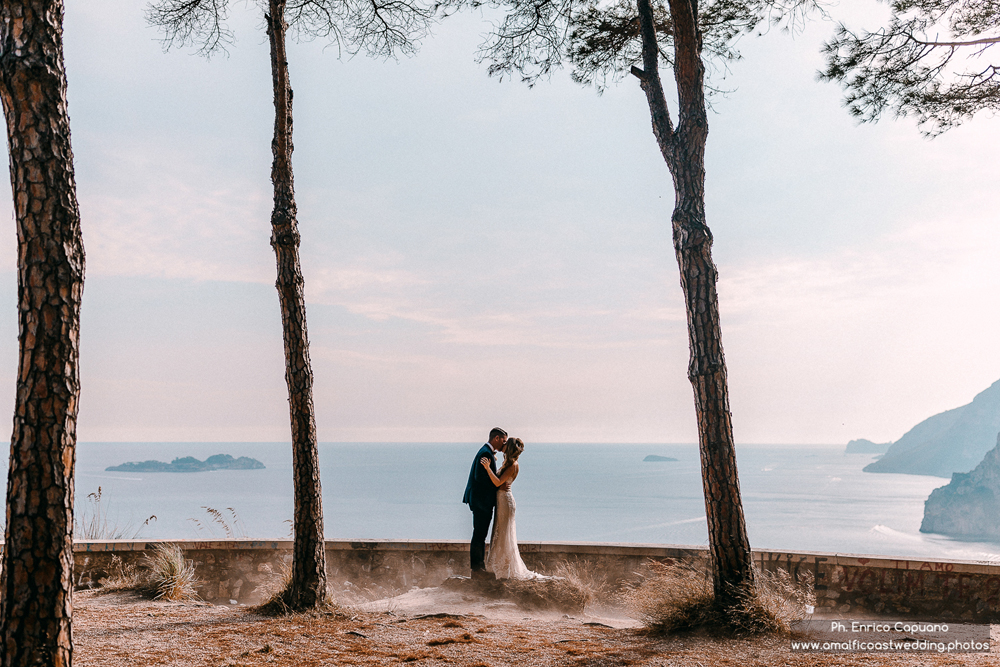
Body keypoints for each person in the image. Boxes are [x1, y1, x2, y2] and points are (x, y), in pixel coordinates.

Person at [479, 437, 542, 580]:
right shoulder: (509, 463)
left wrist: (488, 468)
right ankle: (500, 566)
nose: (504, 444)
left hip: (505, 501)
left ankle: (506, 569)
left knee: (504, 534)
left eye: (506, 444)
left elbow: (497, 482)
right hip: (502, 500)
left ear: (510, 447)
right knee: (501, 533)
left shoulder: (513, 464)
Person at [463, 427, 507, 578]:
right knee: (479, 535)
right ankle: (477, 570)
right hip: (481, 502)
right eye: (503, 440)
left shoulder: (485, 452)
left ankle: (478, 567)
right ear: (496, 438)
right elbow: (480, 479)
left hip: (480, 501)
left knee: (480, 535)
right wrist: (496, 486)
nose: (504, 444)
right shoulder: (486, 453)